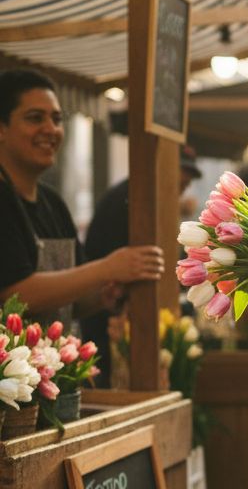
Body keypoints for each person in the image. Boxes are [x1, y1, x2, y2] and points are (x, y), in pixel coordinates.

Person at [0, 68, 164, 323]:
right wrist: (106, 268)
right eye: (35, 118)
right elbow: (17, 296)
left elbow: (71, 303)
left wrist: (102, 295)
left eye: (57, 119)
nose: (50, 129)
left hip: (57, 360)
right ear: (2, 129)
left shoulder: (53, 203)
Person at [82, 146, 202, 384]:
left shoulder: (151, 200)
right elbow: (125, 268)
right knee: (108, 379)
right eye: (181, 181)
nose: (182, 190)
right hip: (105, 316)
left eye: (186, 185)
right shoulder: (134, 200)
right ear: (162, 170)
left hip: (113, 312)